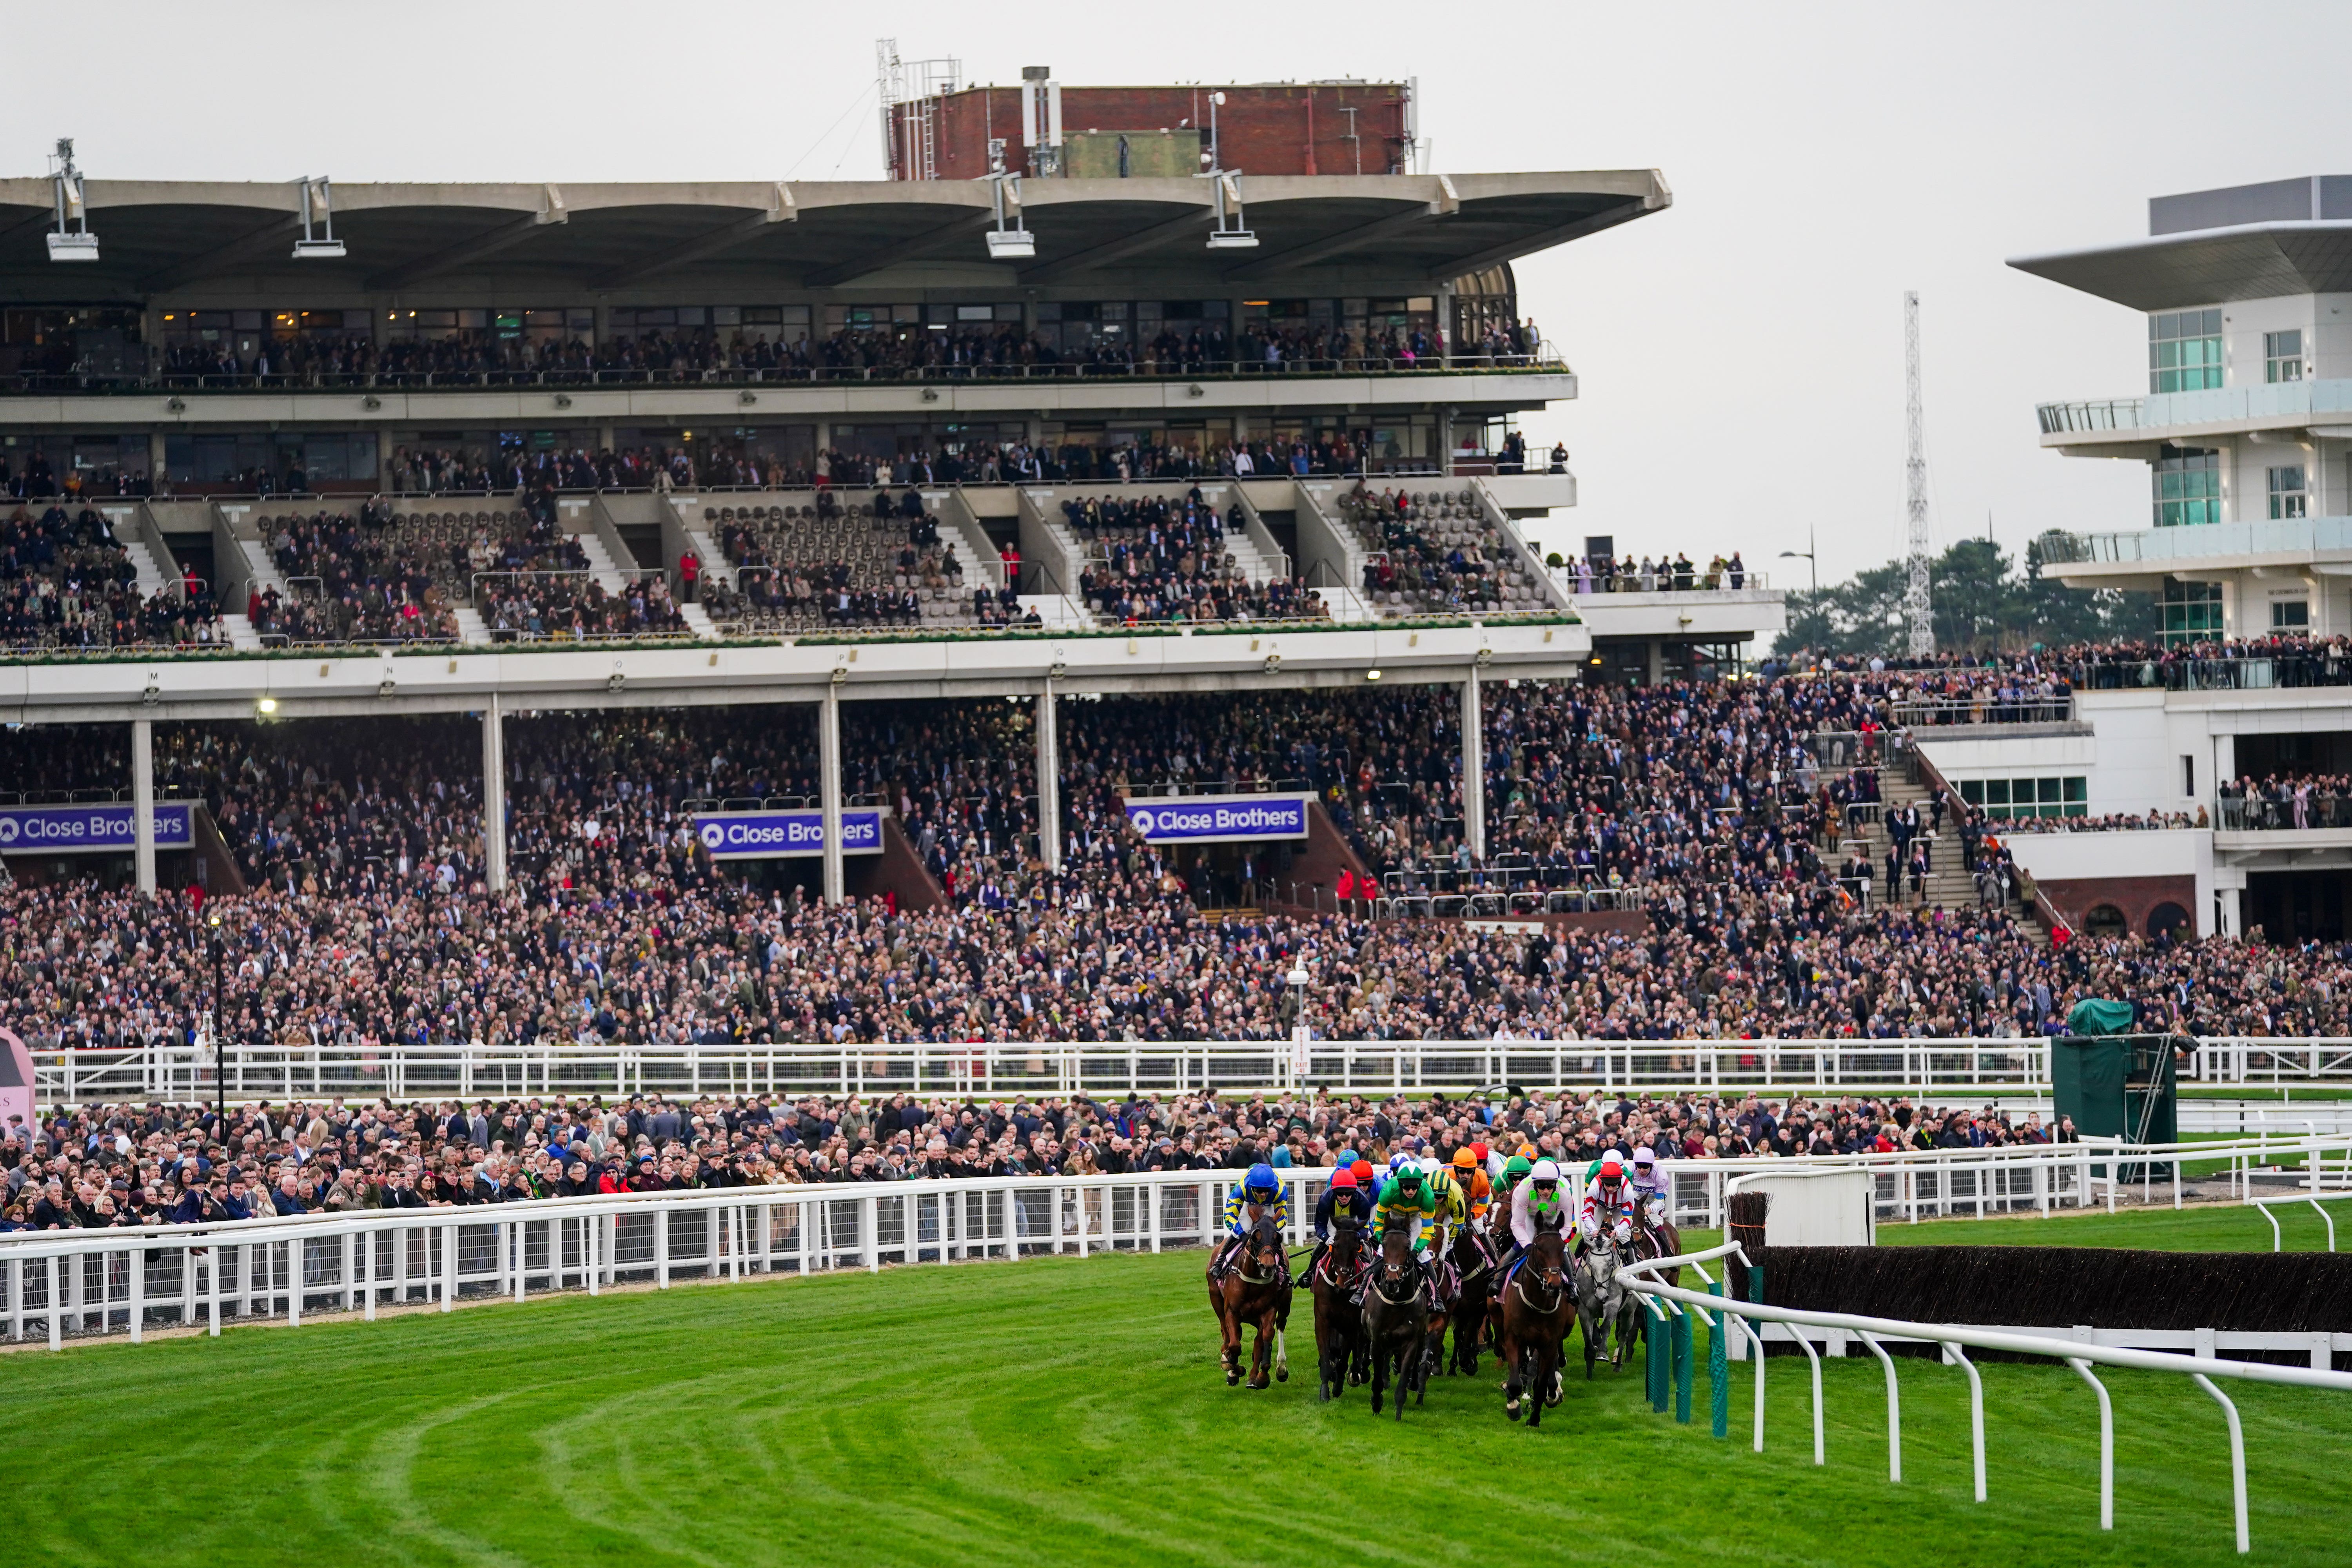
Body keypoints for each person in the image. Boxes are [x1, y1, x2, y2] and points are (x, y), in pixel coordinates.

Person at [1369, 1159, 1441, 1290]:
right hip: (1393, 1216)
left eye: (1415, 1187)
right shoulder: (1388, 1191)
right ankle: (1363, 1291)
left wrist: (1417, 1250)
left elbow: (1428, 1231)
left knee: (1423, 1255)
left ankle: (1436, 1297)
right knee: (1382, 1252)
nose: (1411, 1191)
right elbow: (1378, 1224)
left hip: (1414, 1219)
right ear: (1400, 1183)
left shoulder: (1428, 1196)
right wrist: (1383, 1241)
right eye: (1407, 1187)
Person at [1300, 1167, 1373, 1287]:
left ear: (1354, 1192)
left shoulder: (1362, 1201)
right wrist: (1326, 1238)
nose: (1344, 1197)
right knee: (1320, 1247)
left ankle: (1370, 1275)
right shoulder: (1325, 1200)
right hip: (1333, 1220)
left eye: (1348, 1193)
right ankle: (1309, 1274)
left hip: (1353, 1221)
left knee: (1363, 1246)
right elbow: (1319, 1226)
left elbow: (1365, 1227)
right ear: (1334, 1192)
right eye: (1340, 1194)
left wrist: (1359, 1235)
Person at [1503, 1157, 1574, 1278]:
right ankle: (1499, 1280)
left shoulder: (1565, 1193)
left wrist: (1554, 1241)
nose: (1546, 1191)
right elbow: (1517, 1224)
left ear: (1556, 1184)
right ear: (1534, 1184)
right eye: (1541, 1186)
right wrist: (1527, 1245)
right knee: (1520, 1244)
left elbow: (1567, 1226)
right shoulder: (1522, 1191)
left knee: (1562, 1249)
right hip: (1530, 1218)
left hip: (1553, 1218)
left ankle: (1572, 1284)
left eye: (1550, 1186)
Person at [1213, 1161, 1287, 1278]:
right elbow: (1229, 1215)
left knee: (1271, 1236)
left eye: (1267, 1191)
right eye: (1259, 1191)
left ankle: (1284, 1268)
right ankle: (1219, 1262)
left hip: (1270, 1205)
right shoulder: (1242, 1188)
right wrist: (1242, 1234)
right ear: (1252, 1187)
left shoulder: (1280, 1189)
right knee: (1244, 1229)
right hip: (1249, 1203)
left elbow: (1283, 1216)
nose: (1263, 1195)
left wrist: (1272, 1229)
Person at [1578, 1155, 1634, 1254]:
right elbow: (1587, 1213)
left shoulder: (1627, 1187)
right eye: (1607, 1185)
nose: (1611, 1189)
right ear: (1602, 1181)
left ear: (1620, 1181)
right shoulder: (1595, 1185)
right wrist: (1593, 1229)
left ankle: (1633, 1263)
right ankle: (1576, 1264)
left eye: (1614, 1185)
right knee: (1587, 1234)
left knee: (1624, 1236)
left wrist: (1619, 1230)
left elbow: (1628, 1217)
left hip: (1619, 1209)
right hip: (1600, 1207)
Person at [1450, 1145, 1494, 1221]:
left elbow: (1482, 1205)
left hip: (1473, 1204)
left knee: (1478, 1228)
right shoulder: (1448, 1177)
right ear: (1456, 1169)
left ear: (1474, 1170)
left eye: (1470, 1171)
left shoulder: (1482, 1179)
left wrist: (1473, 1214)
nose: (1466, 1176)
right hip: (1451, 1208)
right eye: (1462, 1171)